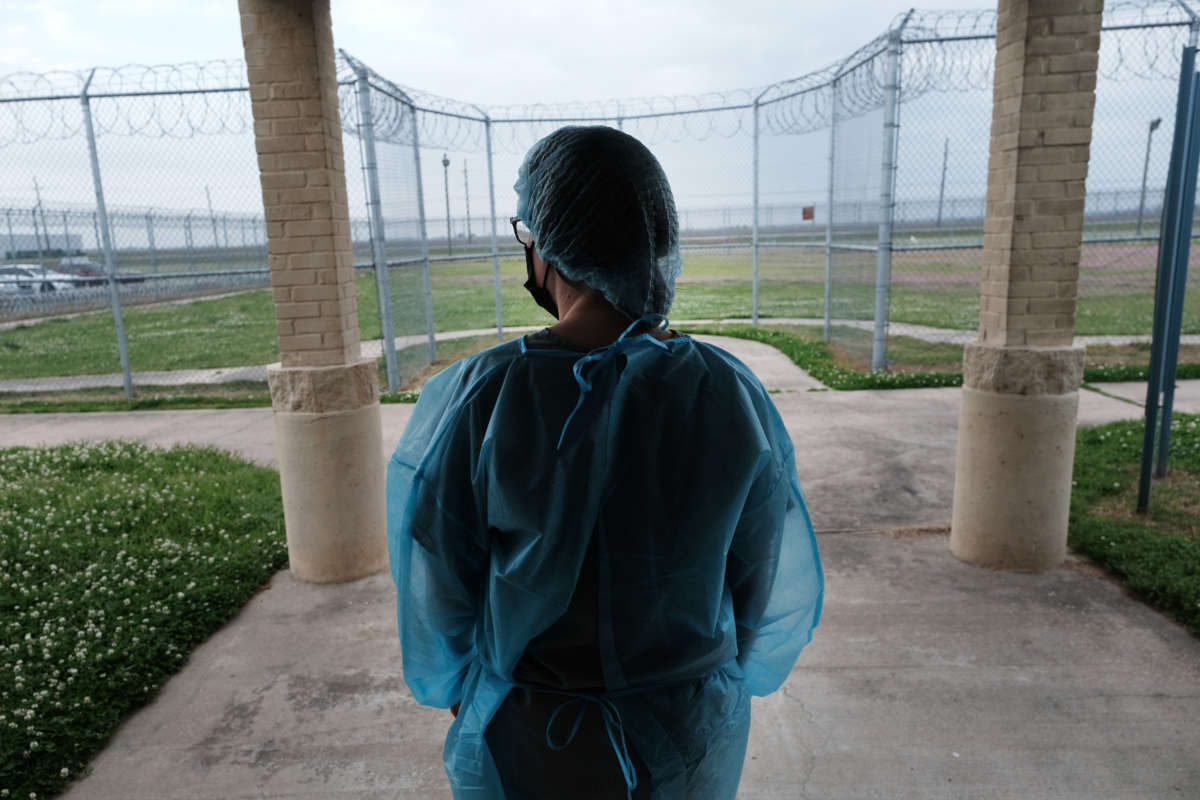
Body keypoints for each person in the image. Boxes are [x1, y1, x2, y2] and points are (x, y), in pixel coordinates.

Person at [387, 125, 822, 799]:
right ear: (656, 241)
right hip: (690, 737)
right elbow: (762, 584)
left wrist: (459, 687)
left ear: (546, 243)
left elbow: (440, 584)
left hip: (536, 743)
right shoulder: (727, 394)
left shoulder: (483, 398)